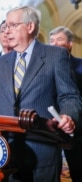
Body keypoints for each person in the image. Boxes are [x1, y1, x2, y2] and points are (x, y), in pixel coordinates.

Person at [0, 5, 82, 182]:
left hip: (42, 148)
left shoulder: (55, 55)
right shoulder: (1, 62)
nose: (6, 31)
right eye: (5, 26)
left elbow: (69, 95)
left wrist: (68, 115)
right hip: (9, 149)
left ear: (30, 26)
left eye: (12, 25)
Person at [49, 26, 82, 182]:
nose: (54, 44)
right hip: (51, 128)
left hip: (77, 128)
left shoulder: (80, 65)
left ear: (70, 44)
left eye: (59, 39)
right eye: (51, 41)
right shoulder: (45, 68)